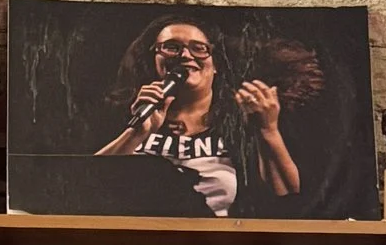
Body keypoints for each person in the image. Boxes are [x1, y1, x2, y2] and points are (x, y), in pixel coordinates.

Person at [95, 16, 302, 216]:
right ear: (154, 60)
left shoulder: (242, 119)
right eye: (172, 47)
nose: (185, 55)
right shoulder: (129, 113)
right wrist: (136, 134)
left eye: (199, 48)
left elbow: (287, 197)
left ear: (215, 66)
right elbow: (87, 185)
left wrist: (269, 130)